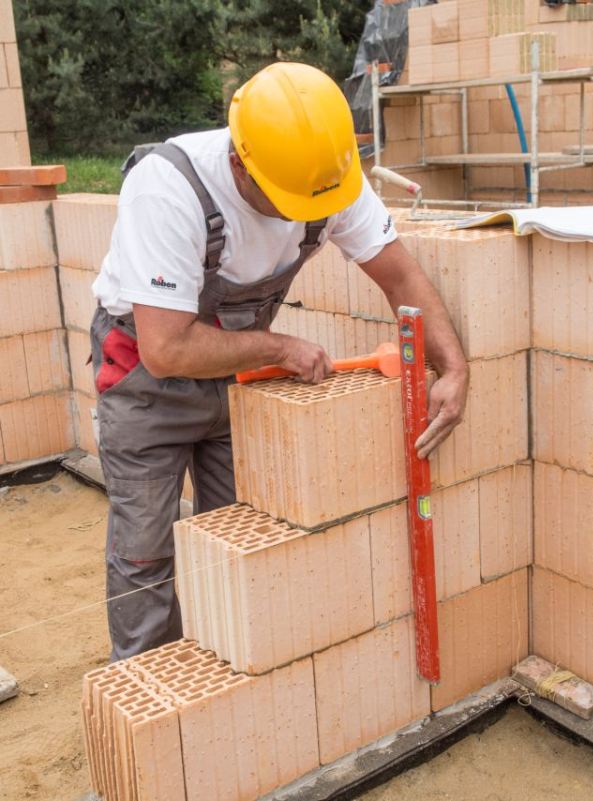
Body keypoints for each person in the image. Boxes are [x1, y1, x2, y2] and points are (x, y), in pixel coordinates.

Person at [91, 61, 469, 661]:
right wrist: (278, 347)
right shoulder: (170, 189)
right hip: (146, 381)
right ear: (242, 162)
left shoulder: (320, 176)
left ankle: (231, 674)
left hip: (236, 382)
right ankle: (151, 697)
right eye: (284, 200)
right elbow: (166, 348)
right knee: (145, 554)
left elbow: (398, 273)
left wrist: (453, 366)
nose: (301, 214)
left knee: (243, 534)